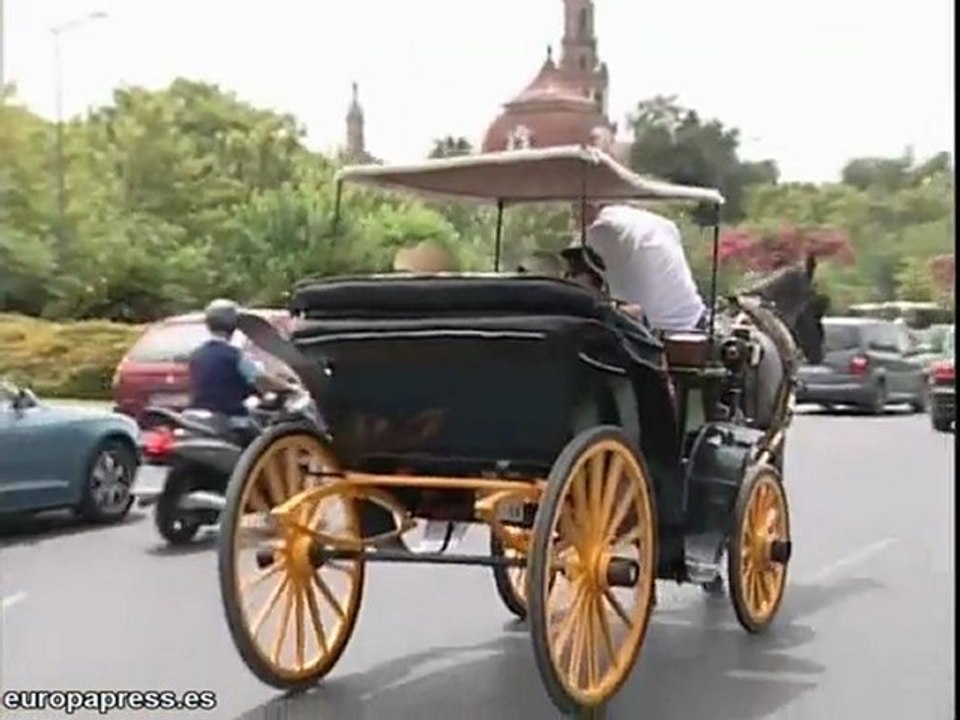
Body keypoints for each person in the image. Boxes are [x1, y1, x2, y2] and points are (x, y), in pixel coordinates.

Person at [571, 203, 707, 333]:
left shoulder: (600, 229)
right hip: (693, 321)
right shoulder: (659, 222)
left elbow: (583, 284)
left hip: (647, 331)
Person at [188, 299, 300, 424]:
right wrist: (291, 388)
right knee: (261, 436)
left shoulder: (197, 354)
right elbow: (261, 378)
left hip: (197, 416)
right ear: (234, 324)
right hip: (230, 417)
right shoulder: (234, 355)